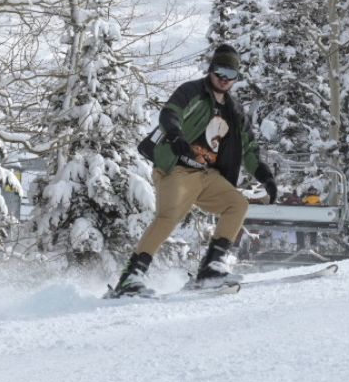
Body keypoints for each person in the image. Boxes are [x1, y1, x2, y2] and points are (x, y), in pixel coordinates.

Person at [113, 43, 278, 296]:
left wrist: (266, 177)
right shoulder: (192, 91)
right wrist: (177, 137)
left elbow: (249, 151)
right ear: (211, 70)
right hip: (177, 168)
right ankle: (130, 277)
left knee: (237, 204)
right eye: (220, 72)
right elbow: (170, 114)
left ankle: (211, 269)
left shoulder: (234, 112)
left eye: (230, 75)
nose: (224, 79)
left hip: (206, 175)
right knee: (168, 218)